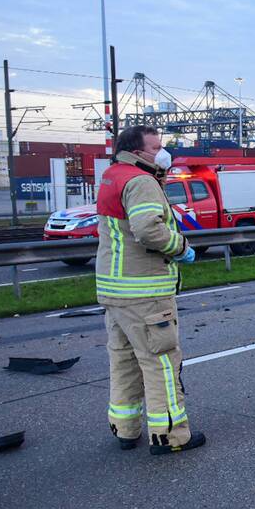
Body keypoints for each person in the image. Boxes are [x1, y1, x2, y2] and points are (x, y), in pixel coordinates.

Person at [97, 125, 205, 455]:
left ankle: (125, 429)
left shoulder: (111, 175)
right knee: (161, 363)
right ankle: (170, 435)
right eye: (156, 146)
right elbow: (148, 230)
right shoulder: (141, 181)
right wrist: (181, 246)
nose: (162, 152)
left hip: (115, 290)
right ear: (138, 151)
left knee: (124, 362)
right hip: (145, 291)